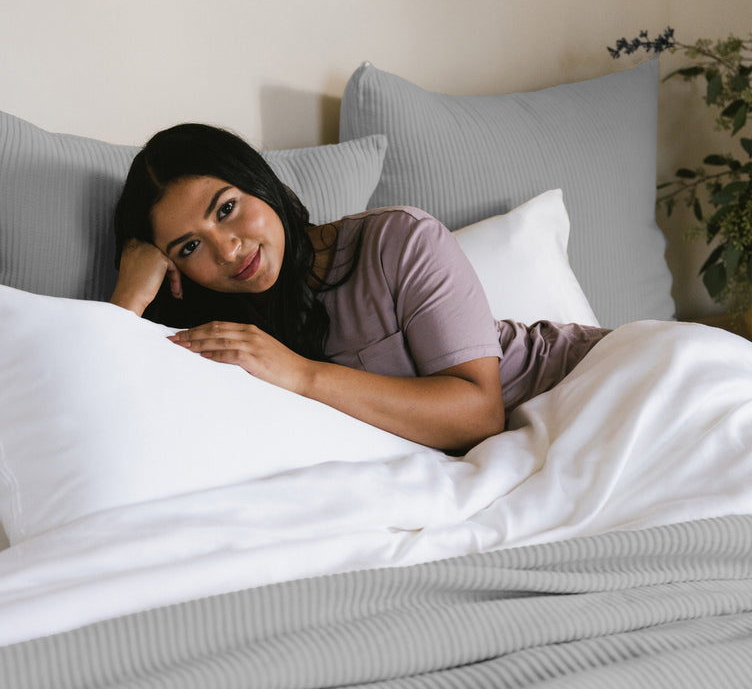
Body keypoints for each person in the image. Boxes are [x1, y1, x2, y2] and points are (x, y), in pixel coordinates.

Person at [111, 123, 609, 453]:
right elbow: (114, 424)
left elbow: (479, 415)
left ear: (259, 182)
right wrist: (128, 302)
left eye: (226, 209)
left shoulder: (398, 239)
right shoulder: (216, 333)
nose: (227, 249)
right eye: (189, 248)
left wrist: (302, 375)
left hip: (587, 382)